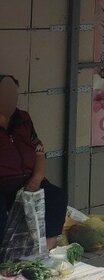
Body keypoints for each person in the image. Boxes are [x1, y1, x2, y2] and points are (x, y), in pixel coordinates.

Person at [0, 75, 68, 252]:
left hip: (27, 179)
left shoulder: (23, 118)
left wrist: (37, 177)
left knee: (56, 196)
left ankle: (44, 253)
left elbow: (39, 148)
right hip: (3, 182)